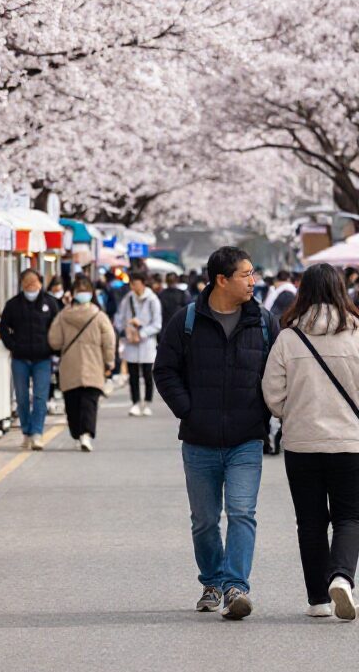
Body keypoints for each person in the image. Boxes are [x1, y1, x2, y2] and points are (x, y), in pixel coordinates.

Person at [154, 246, 279, 621]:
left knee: (242, 512)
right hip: (199, 439)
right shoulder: (186, 320)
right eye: (245, 274)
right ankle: (211, 581)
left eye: (252, 273)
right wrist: (188, 411)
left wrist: (265, 413)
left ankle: (236, 586)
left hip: (246, 437)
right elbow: (165, 370)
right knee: (205, 519)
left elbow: (278, 371)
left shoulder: (264, 322)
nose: (253, 281)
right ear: (221, 280)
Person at [262, 263, 359, 621]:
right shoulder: (357, 333)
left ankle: (318, 600)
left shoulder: (289, 337)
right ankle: (342, 577)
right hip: (350, 442)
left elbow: (272, 392)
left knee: (311, 521)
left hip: (302, 443)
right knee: (350, 517)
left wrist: (290, 414)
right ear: (340, 290)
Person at [48, 275, 116, 452]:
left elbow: (54, 340)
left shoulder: (63, 315)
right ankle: (87, 434)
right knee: (89, 402)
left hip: (70, 365)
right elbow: (109, 341)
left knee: (72, 402)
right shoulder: (99, 316)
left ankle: (77, 433)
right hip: (94, 364)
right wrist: (109, 362)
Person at [0, 269, 60, 451]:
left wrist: (53, 347)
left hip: (43, 358)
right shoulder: (13, 304)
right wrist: (12, 345)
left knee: (41, 397)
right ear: (22, 284)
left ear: (40, 283)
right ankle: (26, 431)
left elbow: (58, 326)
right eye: (27, 283)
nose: (31, 286)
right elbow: (3, 327)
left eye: (34, 283)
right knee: (22, 397)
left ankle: (37, 433)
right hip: (20, 358)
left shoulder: (50, 302)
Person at [114, 272, 162, 416]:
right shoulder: (127, 299)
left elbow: (157, 324)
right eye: (131, 284)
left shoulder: (152, 299)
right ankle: (135, 402)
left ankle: (147, 403)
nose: (132, 286)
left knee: (148, 374)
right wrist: (125, 328)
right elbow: (119, 317)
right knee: (133, 374)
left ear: (142, 283)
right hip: (131, 342)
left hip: (147, 342)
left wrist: (142, 331)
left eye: (134, 283)